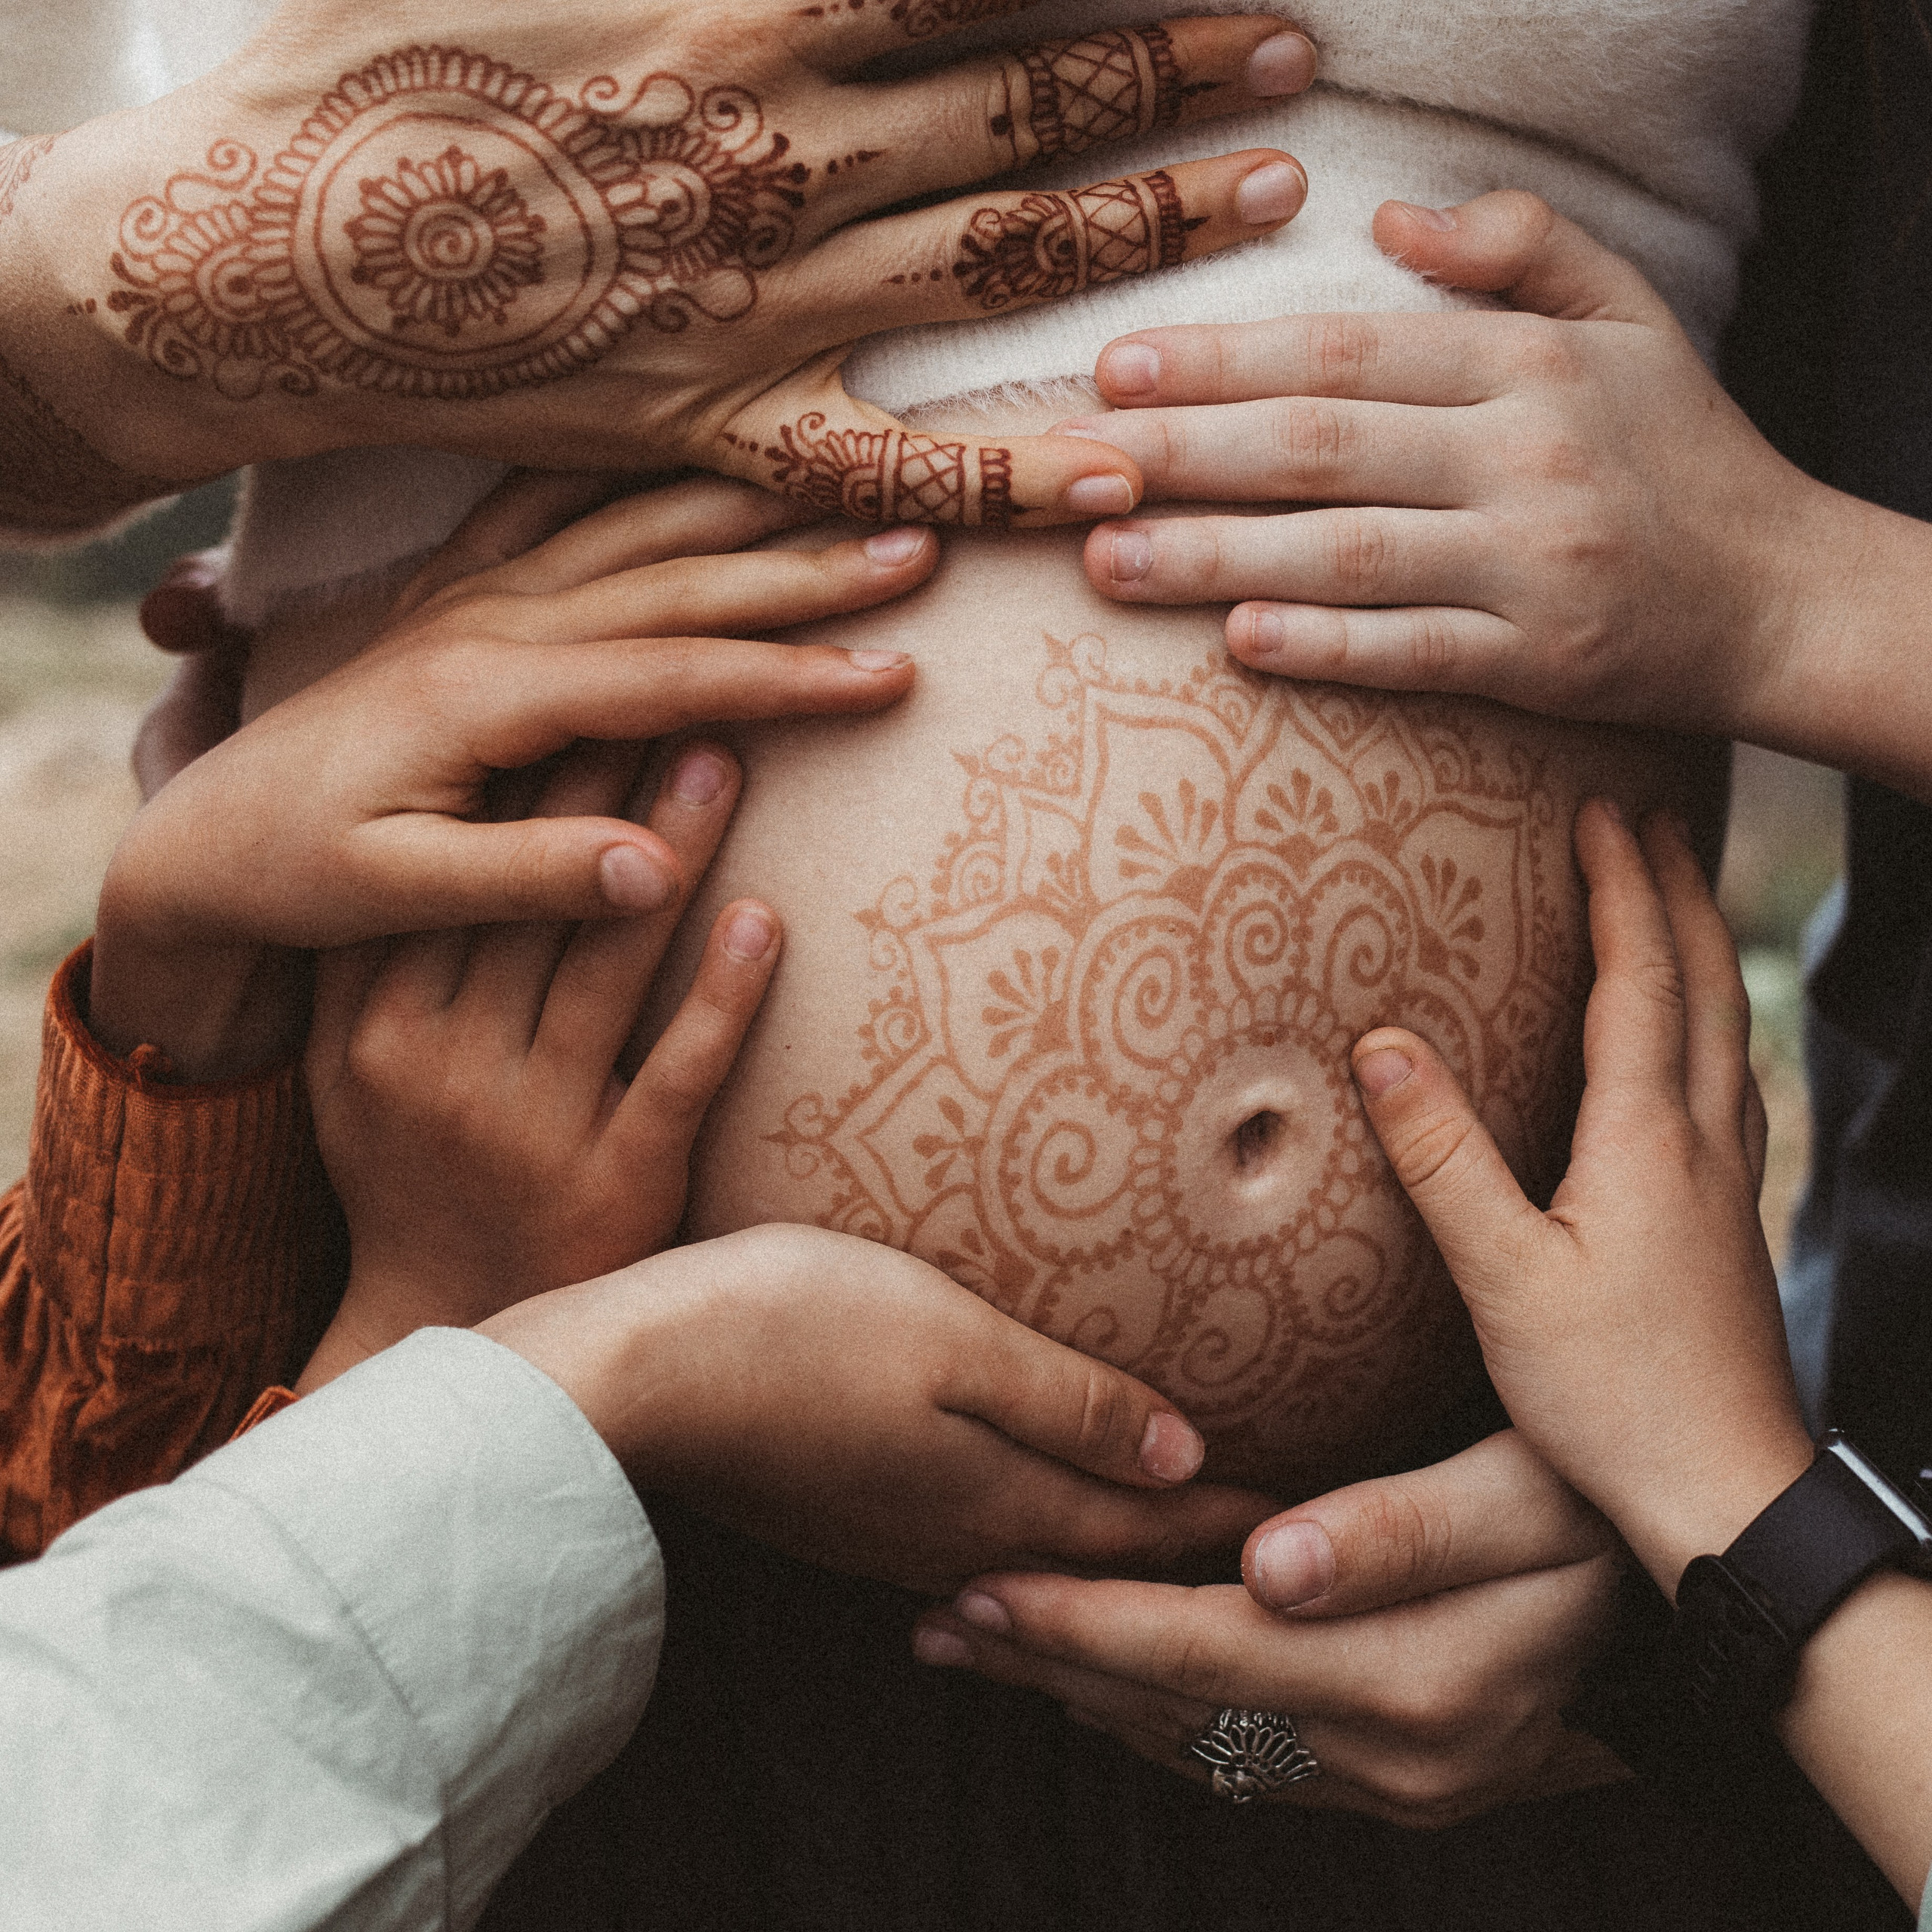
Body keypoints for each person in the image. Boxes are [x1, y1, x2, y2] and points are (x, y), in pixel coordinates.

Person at [1, 472, 1282, 1927]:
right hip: (676, 1648)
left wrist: (180, 972)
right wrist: (465, 1337)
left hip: (1280, 1679)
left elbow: (89, 1608)